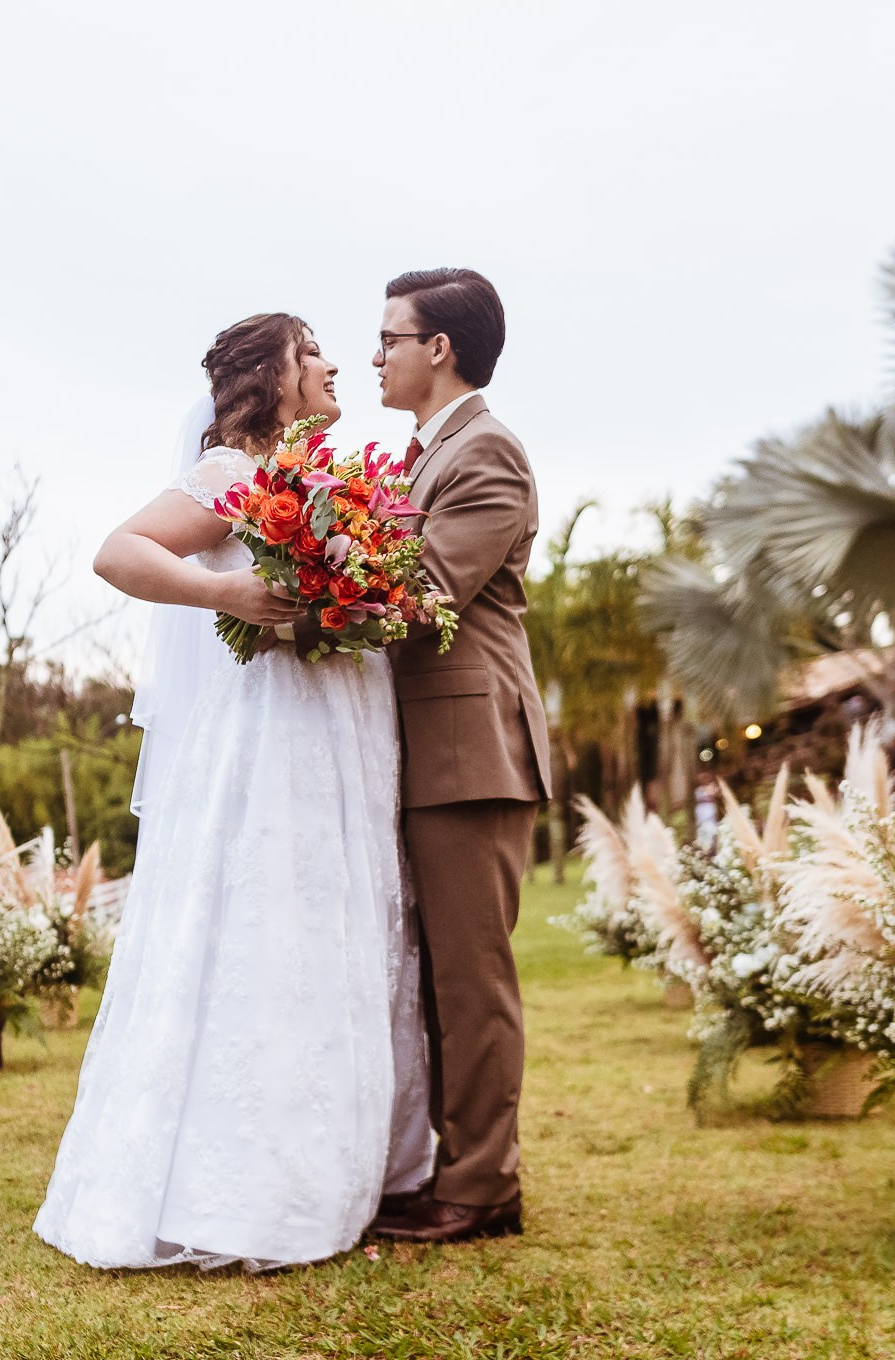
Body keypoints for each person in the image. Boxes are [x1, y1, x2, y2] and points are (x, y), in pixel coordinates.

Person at [31, 314, 432, 1270]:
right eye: (315, 353)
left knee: (337, 929)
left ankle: (343, 1176)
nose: (337, 365)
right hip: (268, 742)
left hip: (343, 730)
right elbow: (119, 551)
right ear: (276, 376)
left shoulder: (339, 488)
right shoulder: (233, 475)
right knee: (268, 929)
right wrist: (229, 596)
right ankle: (246, 1196)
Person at [363, 268, 552, 1245]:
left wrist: (290, 604)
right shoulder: (418, 456)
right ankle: (445, 1166)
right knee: (431, 976)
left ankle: (483, 1189)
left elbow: (421, 590)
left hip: (471, 753)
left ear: (438, 349)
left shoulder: (487, 456)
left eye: (388, 336)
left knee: (469, 981)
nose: (374, 355)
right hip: (421, 754)